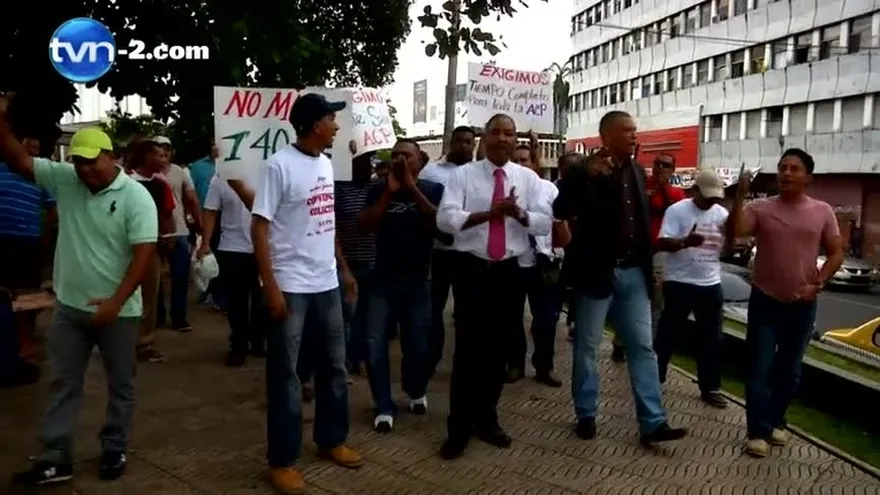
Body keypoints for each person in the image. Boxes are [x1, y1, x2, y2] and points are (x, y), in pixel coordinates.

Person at [0, 94, 158, 485]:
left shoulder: (136, 197)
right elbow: (18, 159)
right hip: (70, 308)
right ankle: (56, 457)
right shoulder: (65, 180)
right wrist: (1, 118)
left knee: (121, 385)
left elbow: (144, 256)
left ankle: (114, 448)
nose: (85, 169)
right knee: (63, 382)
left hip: (118, 312)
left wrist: (116, 303)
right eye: (79, 161)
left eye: (93, 160)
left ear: (112, 157)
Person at [553, 111, 687, 445]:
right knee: (587, 346)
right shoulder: (587, 170)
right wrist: (584, 174)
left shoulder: (639, 172)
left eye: (634, 130)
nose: (633, 136)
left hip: (633, 274)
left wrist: (648, 269)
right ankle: (586, 413)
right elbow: (561, 209)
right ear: (606, 135)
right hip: (596, 273)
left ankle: (653, 423)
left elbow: (640, 223)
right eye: (626, 131)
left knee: (643, 347)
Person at [252, 93, 362, 494]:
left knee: (335, 368)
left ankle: (332, 439)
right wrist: (271, 285)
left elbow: (324, 222)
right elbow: (259, 228)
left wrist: (344, 269)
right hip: (292, 286)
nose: (336, 126)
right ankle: (281, 460)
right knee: (287, 376)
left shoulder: (324, 163)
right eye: (332, 120)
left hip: (326, 283)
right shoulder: (278, 166)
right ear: (316, 125)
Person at [436, 113, 552, 460]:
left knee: (499, 351)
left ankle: (487, 419)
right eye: (496, 132)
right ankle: (458, 429)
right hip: (472, 270)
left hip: (510, 273)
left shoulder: (529, 179)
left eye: (509, 133)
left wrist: (519, 215)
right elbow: (445, 218)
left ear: (516, 140)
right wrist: (489, 214)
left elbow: (545, 224)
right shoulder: (463, 176)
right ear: (483, 137)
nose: (503, 138)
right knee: (468, 351)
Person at [734, 148, 843, 458]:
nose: (786, 173)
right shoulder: (761, 207)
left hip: (802, 302)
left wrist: (817, 283)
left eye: (794, 169)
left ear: (808, 177)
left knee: (790, 368)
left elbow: (836, 252)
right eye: (782, 167)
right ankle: (757, 431)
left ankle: (776, 419)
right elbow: (738, 232)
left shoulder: (822, 211)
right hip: (765, 298)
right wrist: (740, 197)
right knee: (760, 366)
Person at [357, 139, 443, 433]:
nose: (400, 160)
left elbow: (439, 226)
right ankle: (383, 404)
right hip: (382, 279)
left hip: (418, 280)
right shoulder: (377, 189)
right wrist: (389, 193)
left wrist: (411, 188)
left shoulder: (433, 190)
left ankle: (415, 389)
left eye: (406, 155)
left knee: (418, 346)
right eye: (395, 155)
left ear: (420, 161)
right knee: (374, 343)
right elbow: (364, 225)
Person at [653, 169, 730, 409]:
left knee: (712, 338)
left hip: (710, 283)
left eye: (715, 198)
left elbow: (727, 248)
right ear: (695, 190)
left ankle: (710, 386)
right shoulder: (677, 211)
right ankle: (655, 379)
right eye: (707, 197)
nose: (711, 202)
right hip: (680, 282)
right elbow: (662, 242)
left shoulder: (722, 214)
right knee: (668, 333)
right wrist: (686, 241)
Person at [611, 153, 686, 363]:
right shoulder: (641, 185)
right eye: (658, 164)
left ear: (673, 169)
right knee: (626, 297)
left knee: (655, 302)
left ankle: (646, 348)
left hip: (660, 252)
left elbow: (673, 209)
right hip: (637, 250)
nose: (660, 168)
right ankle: (619, 341)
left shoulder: (676, 193)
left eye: (666, 165)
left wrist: (662, 188)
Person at [506, 143, 571, 387]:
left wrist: (566, 252)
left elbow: (560, 223)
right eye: (516, 160)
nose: (521, 164)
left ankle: (544, 366)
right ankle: (515, 364)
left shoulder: (548, 190)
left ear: (534, 162)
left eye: (525, 160)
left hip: (543, 262)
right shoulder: (503, 188)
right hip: (513, 261)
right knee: (511, 317)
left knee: (546, 319)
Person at [418, 125, 475, 375]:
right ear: (450, 143)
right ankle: (430, 359)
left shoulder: (478, 173)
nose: (464, 145)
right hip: (439, 251)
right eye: (460, 141)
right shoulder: (431, 172)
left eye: (469, 142)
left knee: (466, 311)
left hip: (468, 253)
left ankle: (464, 362)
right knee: (433, 308)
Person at [0, 117, 56, 368]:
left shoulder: (42, 176)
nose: (32, 155)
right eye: (28, 149)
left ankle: (24, 342)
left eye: (36, 152)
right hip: (3, 240)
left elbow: (53, 209)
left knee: (27, 298)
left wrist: (45, 237)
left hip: (28, 240)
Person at [198, 174, 264, 367]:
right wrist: (206, 242)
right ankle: (239, 344)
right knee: (237, 301)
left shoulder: (267, 170)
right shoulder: (221, 176)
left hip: (263, 246)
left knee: (262, 299)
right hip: (232, 247)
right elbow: (211, 210)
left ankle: (259, 339)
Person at [128, 139, 177, 363]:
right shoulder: (127, 183)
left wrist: (169, 240)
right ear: (145, 156)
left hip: (151, 250)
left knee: (150, 296)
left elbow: (168, 215)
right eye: (158, 155)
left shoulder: (161, 184)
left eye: (164, 156)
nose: (163, 160)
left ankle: (145, 343)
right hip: (126, 249)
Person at [154, 136, 202, 333]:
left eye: (165, 152)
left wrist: (199, 224)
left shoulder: (180, 172)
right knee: (154, 277)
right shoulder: (145, 174)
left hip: (179, 230)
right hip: (152, 232)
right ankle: (157, 315)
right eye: (158, 153)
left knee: (180, 277)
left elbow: (191, 198)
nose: (162, 157)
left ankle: (179, 317)